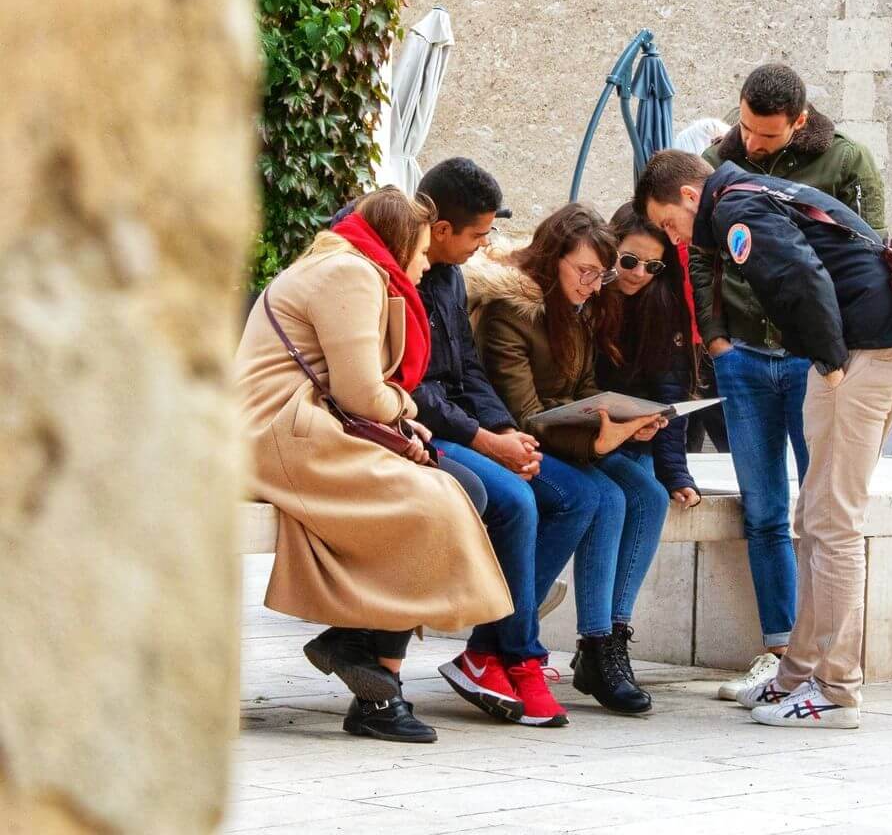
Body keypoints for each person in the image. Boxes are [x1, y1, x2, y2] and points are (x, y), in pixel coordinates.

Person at [636, 150, 892, 729]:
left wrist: (830, 361)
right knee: (815, 518)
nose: (676, 238)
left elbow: (798, 275)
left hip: (862, 355)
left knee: (835, 524)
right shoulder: (759, 190)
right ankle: (796, 676)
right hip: (884, 349)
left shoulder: (735, 206)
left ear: (691, 197)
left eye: (670, 223)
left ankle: (837, 691)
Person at [235, 187, 512, 744]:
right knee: (437, 500)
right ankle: (374, 680)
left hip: (304, 427)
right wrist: (405, 414)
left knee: (456, 492)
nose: (427, 259)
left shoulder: (348, 265)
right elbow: (363, 392)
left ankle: (363, 652)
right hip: (282, 433)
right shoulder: (351, 274)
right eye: (420, 247)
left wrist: (399, 422)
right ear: (398, 239)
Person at [688, 64, 886, 702]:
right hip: (741, 355)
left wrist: (833, 356)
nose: (750, 144)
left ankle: (829, 661)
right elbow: (699, 251)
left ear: (799, 123)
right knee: (765, 511)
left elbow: (869, 253)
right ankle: (780, 653)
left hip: (815, 361)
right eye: (744, 126)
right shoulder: (720, 158)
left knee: (824, 513)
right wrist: (715, 336)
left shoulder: (847, 162)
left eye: (766, 137)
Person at [409, 158, 601, 729]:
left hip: (468, 426)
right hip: (423, 432)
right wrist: (489, 442)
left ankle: (487, 650)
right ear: (440, 229)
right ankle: (518, 655)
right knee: (519, 501)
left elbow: (468, 371)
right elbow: (413, 389)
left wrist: (506, 433)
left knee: (578, 498)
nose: (485, 244)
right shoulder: (406, 276)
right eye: (478, 233)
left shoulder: (447, 275)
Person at [467, 204, 670, 714]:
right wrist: (598, 440)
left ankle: (612, 637)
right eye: (583, 271)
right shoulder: (511, 310)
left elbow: (578, 391)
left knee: (648, 493)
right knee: (598, 496)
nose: (593, 283)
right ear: (552, 257)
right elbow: (523, 415)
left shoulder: (580, 306)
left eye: (600, 274)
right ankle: (570, 640)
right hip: (512, 441)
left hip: (560, 438)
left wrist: (626, 418)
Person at [598, 203, 701, 508]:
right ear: (609, 247)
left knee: (650, 497)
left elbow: (671, 392)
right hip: (587, 432)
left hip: (639, 438)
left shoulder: (663, 304)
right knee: (618, 501)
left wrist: (675, 473)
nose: (639, 274)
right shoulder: (585, 296)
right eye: (629, 261)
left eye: (653, 266)